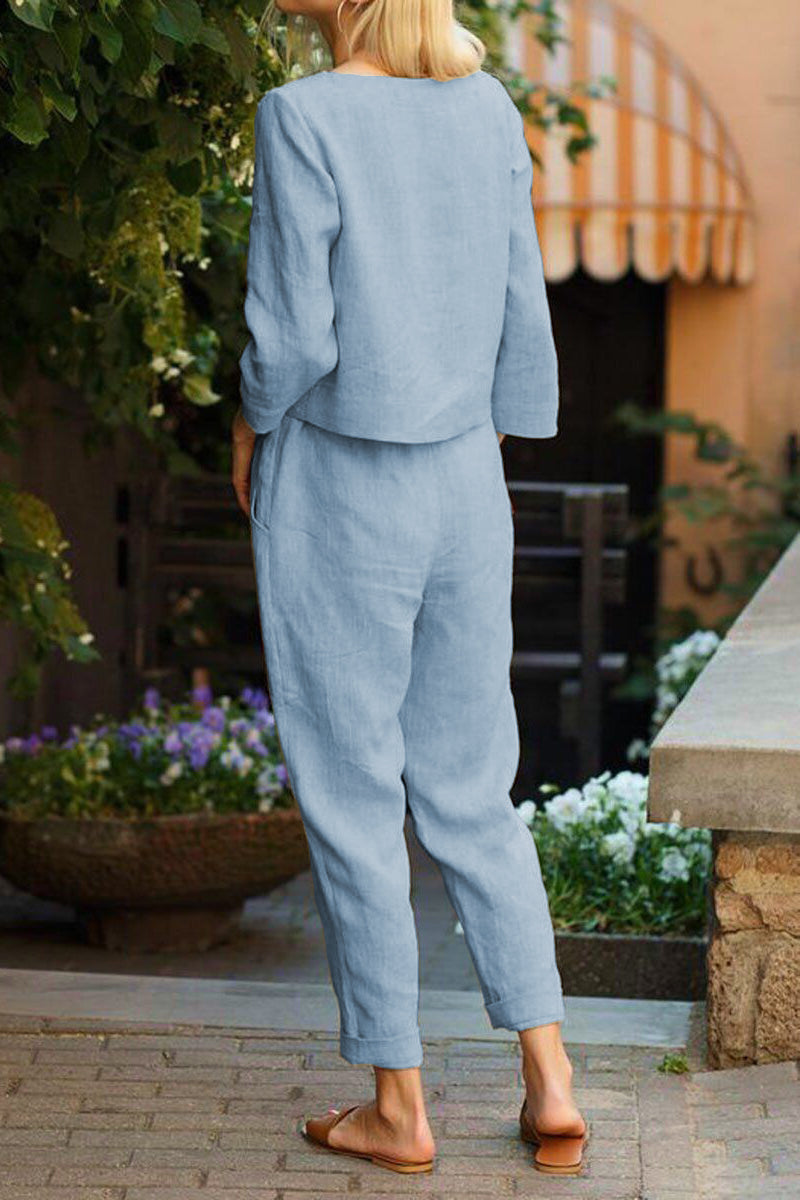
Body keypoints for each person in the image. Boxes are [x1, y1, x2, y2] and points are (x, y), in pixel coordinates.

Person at [230, 0, 588, 1178]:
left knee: (350, 794)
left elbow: (290, 332)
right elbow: (517, 301)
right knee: (471, 792)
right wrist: (499, 435)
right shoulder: (484, 108)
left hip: (341, 484)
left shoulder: (302, 115)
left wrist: (248, 423)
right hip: (463, 483)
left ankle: (398, 1103)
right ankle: (549, 1079)